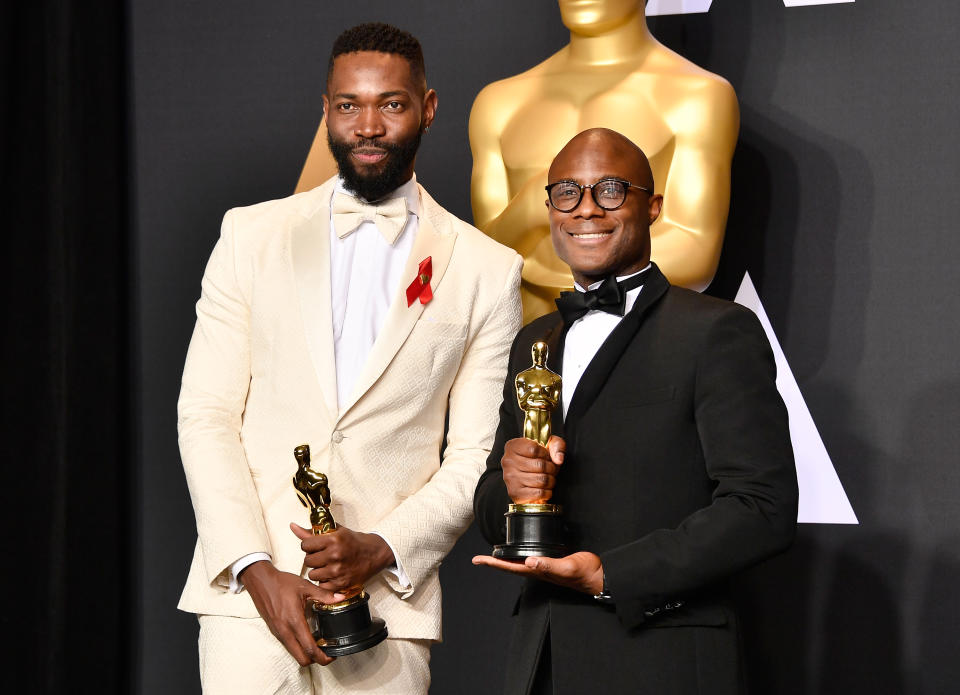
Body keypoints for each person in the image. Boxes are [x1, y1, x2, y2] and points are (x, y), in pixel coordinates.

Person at [177, 22, 522, 694]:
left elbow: (474, 456)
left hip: (389, 606)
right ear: (327, 110)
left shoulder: (487, 270)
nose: (368, 125)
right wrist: (254, 567)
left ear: (428, 108)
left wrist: (381, 546)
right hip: (246, 604)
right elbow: (206, 412)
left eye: (391, 104)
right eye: (348, 105)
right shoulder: (250, 235)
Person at [472, 128, 797, 695]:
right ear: (550, 208)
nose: (587, 208)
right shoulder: (534, 341)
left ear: (653, 207)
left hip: (662, 660)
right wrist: (513, 485)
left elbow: (761, 507)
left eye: (611, 190)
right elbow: (491, 503)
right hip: (543, 661)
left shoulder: (716, 331)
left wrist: (613, 576)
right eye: (567, 192)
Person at [469, 0, 739, 322]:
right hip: (517, 349)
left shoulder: (698, 96)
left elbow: (695, 251)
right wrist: (527, 210)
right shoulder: (499, 104)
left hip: (640, 344)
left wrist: (563, 269)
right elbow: (483, 253)